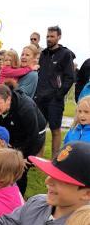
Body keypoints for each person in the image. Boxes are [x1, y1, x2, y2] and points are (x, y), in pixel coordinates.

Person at [0, 83, 46, 195]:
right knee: (6, 162)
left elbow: (33, 137)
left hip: (34, 136)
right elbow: (1, 123)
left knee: (19, 169)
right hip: (16, 131)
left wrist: (21, 157)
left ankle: (18, 202)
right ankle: (3, 194)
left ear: (8, 99)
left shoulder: (25, 109)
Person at [35, 26, 75, 159]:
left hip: (55, 99)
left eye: (52, 36)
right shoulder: (43, 54)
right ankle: (39, 158)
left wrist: (59, 95)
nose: (49, 39)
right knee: (40, 128)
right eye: (47, 36)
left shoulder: (65, 54)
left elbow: (70, 77)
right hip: (40, 98)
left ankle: (54, 159)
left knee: (55, 129)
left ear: (59, 37)